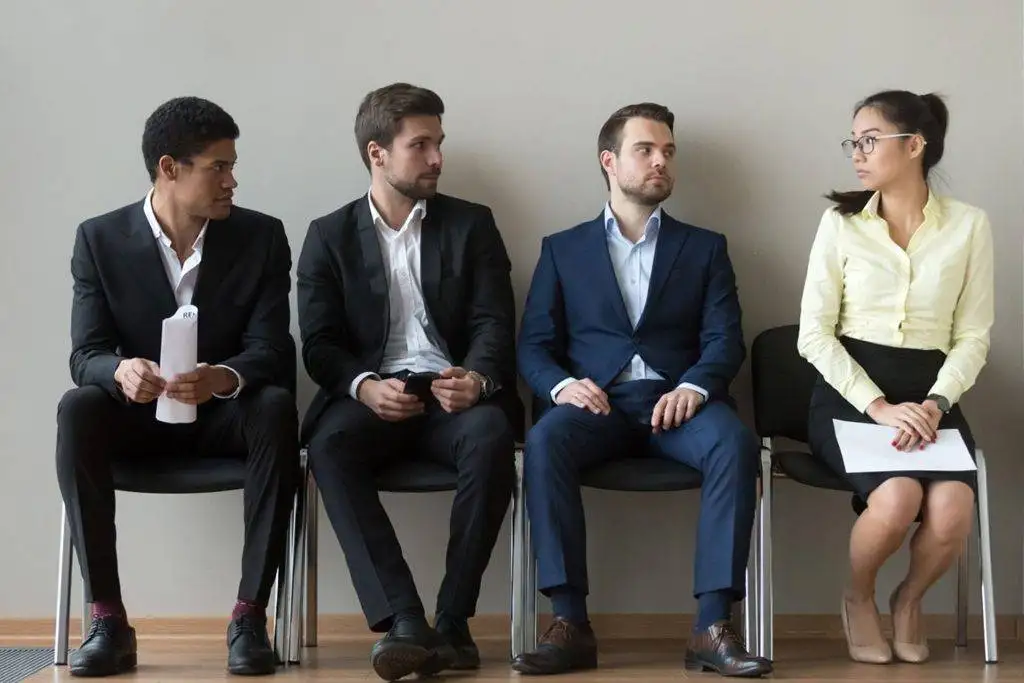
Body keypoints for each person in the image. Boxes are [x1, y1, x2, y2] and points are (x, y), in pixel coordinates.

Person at [513, 102, 771, 678]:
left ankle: (712, 625)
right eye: (646, 150)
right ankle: (569, 623)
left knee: (734, 443)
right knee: (546, 441)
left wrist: (697, 388)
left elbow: (726, 340)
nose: (661, 162)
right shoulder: (563, 248)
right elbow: (532, 346)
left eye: (669, 152)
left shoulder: (705, 248)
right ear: (609, 161)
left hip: (680, 405)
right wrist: (561, 388)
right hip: (595, 407)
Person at [56, 96, 300, 677]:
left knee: (274, 406)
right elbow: (84, 354)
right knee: (78, 408)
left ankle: (249, 616)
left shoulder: (261, 238)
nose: (232, 181)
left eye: (232, 166)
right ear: (170, 168)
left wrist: (223, 377)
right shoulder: (99, 239)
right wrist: (120, 371)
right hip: (136, 419)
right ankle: (108, 620)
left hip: (223, 417)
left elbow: (272, 350)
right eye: (218, 166)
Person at [297, 82, 522, 682]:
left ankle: (451, 622)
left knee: (492, 434)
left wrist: (476, 378)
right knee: (329, 445)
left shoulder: (472, 225)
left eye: (439, 144)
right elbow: (318, 343)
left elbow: (494, 323)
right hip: (373, 397)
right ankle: (403, 620)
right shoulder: (328, 236)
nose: (437, 159)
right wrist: (364, 385)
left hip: (452, 395)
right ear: (377, 154)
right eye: (420, 145)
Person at [797, 90, 994, 665]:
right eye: (853, 141)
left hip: (933, 394)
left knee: (955, 509)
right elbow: (814, 335)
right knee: (898, 497)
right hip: (850, 394)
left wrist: (935, 403)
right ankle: (857, 598)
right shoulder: (840, 225)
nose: (856, 153)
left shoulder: (969, 226)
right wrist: (878, 406)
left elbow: (973, 337)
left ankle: (908, 600)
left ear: (914, 145)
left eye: (869, 140)